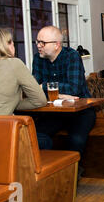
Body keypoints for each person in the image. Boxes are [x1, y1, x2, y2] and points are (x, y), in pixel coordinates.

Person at [30, 25, 96, 159]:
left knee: (76, 141)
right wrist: (60, 93)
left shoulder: (72, 56)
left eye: (43, 42)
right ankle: (49, 171)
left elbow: (74, 89)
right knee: (32, 135)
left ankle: (74, 174)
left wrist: (44, 86)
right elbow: (34, 88)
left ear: (57, 45)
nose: (38, 45)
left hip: (81, 112)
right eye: (37, 41)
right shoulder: (38, 59)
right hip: (54, 112)